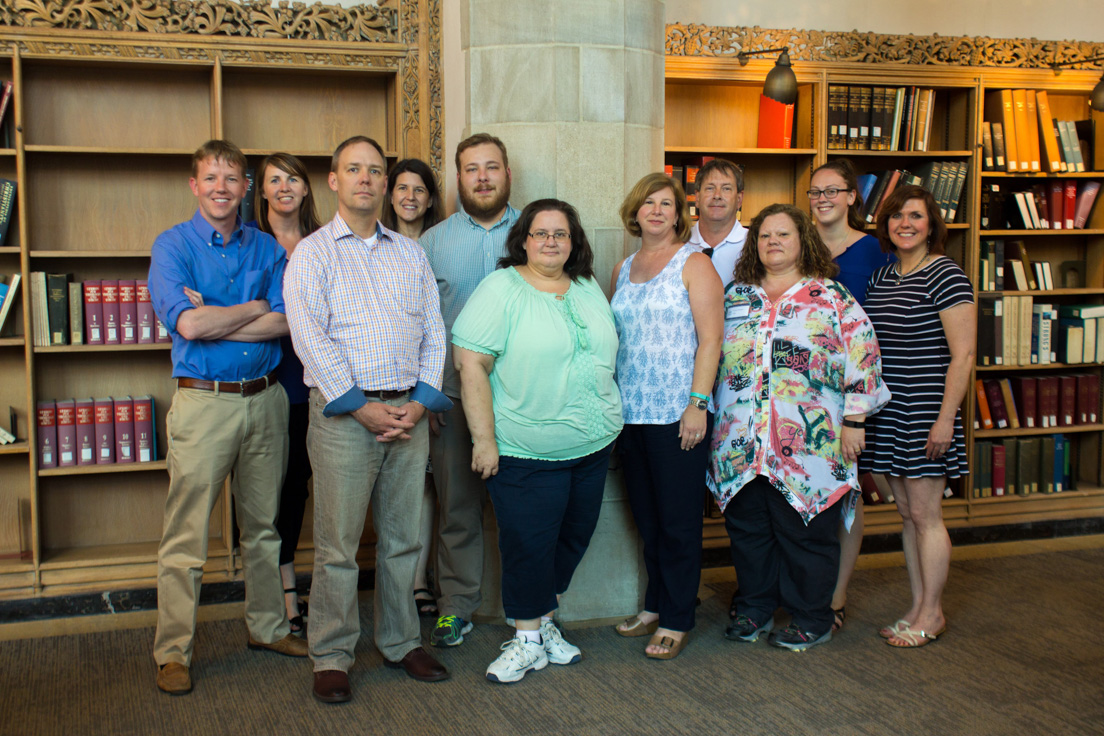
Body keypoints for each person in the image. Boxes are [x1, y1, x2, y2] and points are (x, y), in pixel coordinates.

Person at [284, 135, 450, 704]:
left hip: (407, 412)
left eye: (375, 171)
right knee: (337, 544)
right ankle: (331, 654)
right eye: (353, 169)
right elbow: (310, 338)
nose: (365, 179)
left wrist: (421, 402)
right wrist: (361, 406)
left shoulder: (411, 254)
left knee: (404, 539)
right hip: (344, 419)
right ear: (333, 180)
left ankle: (402, 641)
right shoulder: (313, 253)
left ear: (385, 183)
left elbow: (434, 329)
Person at [148, 139, 307, 696]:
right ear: (195, 186)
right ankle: (173, 652)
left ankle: (266, 628)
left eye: (232, 179)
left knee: (263, 528)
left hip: (265, 401)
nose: (221, 188)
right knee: (185, 536)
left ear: (246, 188)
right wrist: (252, 309)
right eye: (211, 178)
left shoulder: (269, 249)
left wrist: (216, 315)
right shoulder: (171, 247)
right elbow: (187, 328)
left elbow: (288, 323)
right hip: (203, 402)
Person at [451, 199, 623, 683]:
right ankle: (526, 639)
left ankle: (543, 622)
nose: (551, 242)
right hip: (525, 449)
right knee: (528, 545)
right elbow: (472, 367)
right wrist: (484, 441)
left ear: (574, 242)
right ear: (523, 239)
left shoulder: (587, 286)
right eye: (541, 233)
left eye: (561, 234)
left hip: (592, 445)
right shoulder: (500, 288)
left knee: (572, 539)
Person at [709, 203, 890, 652]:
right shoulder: (734, 297)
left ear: (802, 241)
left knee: (806, 533)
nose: (773, 242)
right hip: (740, 440)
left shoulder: (830, 297)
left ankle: (812, 616)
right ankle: (754, 609)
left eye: (783, 234)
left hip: (810, 444)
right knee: (749, 533)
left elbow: (864, 357)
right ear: (754, 244)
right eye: (765, 235)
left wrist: (854, 420)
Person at [611, 173, 723, 660]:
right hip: (630, 414)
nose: (656, 210)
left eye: (666, 203)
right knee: (649, 520)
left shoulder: (694, 264)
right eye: (647, 203)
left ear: (679, 214)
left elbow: (711, 340)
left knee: (678, 523)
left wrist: (697, 403)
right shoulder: (624, 266)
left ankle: (678, 616)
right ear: (634, 212)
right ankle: (656, 604)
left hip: (679, 413)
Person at [861, 184, 975, 648]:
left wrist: (946, 418)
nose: (904, 223)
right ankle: (916, 604)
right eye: (896, 216)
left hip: (928, 410)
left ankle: (933, 612)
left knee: (927, 514)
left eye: (915, 216)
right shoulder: (881, 279)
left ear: (932, 225)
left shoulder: (945, 275)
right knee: (906, 513)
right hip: (890, 410)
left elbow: (963, 355)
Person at [419, 133, 520, 648]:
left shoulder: (534, 233)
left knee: (525, 509)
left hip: (525, 397)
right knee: (457, 507)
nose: (482, 177)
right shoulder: (431, 243)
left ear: (507, 174)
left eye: (492, 167)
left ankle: (530, 609)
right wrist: (430, 391)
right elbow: (418, 324)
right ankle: (455, 607)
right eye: (471, 169)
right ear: (458, 179)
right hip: (454, 397)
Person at [807, 158, 895, 632]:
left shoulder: (876, 250)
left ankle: (837, 594)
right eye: (815, 192)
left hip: (855, 388)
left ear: (851, 196)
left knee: (848, 492)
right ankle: (804, 586)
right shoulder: (798, 247)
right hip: (805, 390)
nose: (823, 199)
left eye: (832, 191)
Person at [253, 152, 322, 634]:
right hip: (265, 380)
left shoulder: (324, 242)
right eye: (273, 179)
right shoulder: (250, 245)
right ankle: (282, 594)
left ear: (306, 188)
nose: (283, 187)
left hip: (315, 382)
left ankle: (298, 586)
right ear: (261, 191)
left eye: (292, 178)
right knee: (267, 496)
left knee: (298, 488)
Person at [381, 157, 445, 618]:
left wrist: (430, 394)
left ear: (430, 197)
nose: (409, 196)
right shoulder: (370, 244)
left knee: (427, 487)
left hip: (432, 385)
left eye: (418, 189)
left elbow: (439, 326)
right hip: (385, 387)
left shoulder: (439, 246)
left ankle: (419, 580)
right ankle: (394, 585)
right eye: (401, 187)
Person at [687, 158, 747, 290]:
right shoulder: (678, 242)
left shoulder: (755, 244)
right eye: (710, 188)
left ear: (739, 199)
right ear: (697, 198)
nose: (717, 195)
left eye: (726, 189)